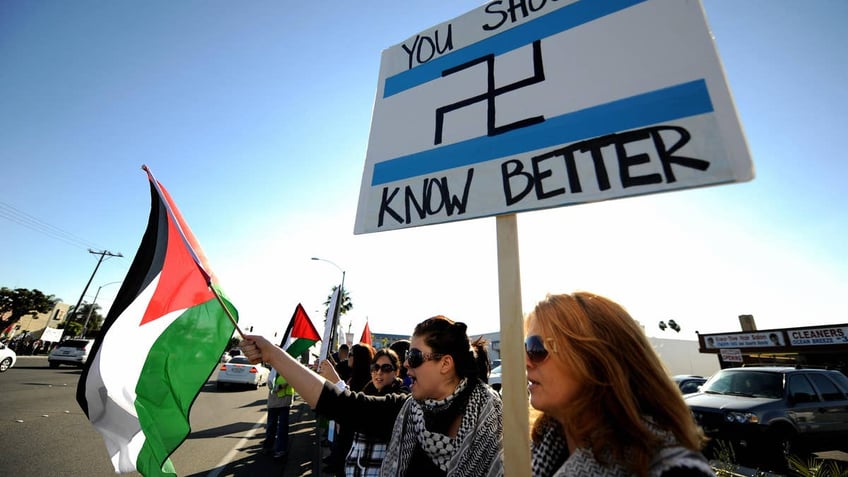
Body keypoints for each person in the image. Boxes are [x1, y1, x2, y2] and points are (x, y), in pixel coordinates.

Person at [240, 315, 503, 477]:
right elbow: (339, 403)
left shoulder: (498, 424)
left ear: (445, 364)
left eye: (413, 357)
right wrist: (273, 354)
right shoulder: (407, 410)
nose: (407, 366)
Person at [524, 292, 715, 477]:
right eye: (524, 347)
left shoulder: (674, 469)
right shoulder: (535, 452)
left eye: (536, 348)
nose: (525, 361)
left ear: (597, 359)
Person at [323, 348, 409, 476]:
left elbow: (366, 409)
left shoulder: (400, 399)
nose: (379, 372)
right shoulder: (368, 390)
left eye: (386, 368)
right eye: (375, 367)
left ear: (396, 372)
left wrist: (337, 384)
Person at [262, 366, 295, 460]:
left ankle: (281, 450)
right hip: (274, 403)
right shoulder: (274, 371)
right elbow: (270, 385)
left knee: (283, 428)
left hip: (285, 404)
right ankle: (268, 446)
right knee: (271, 426)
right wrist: (281, 386)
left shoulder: (291, 371)